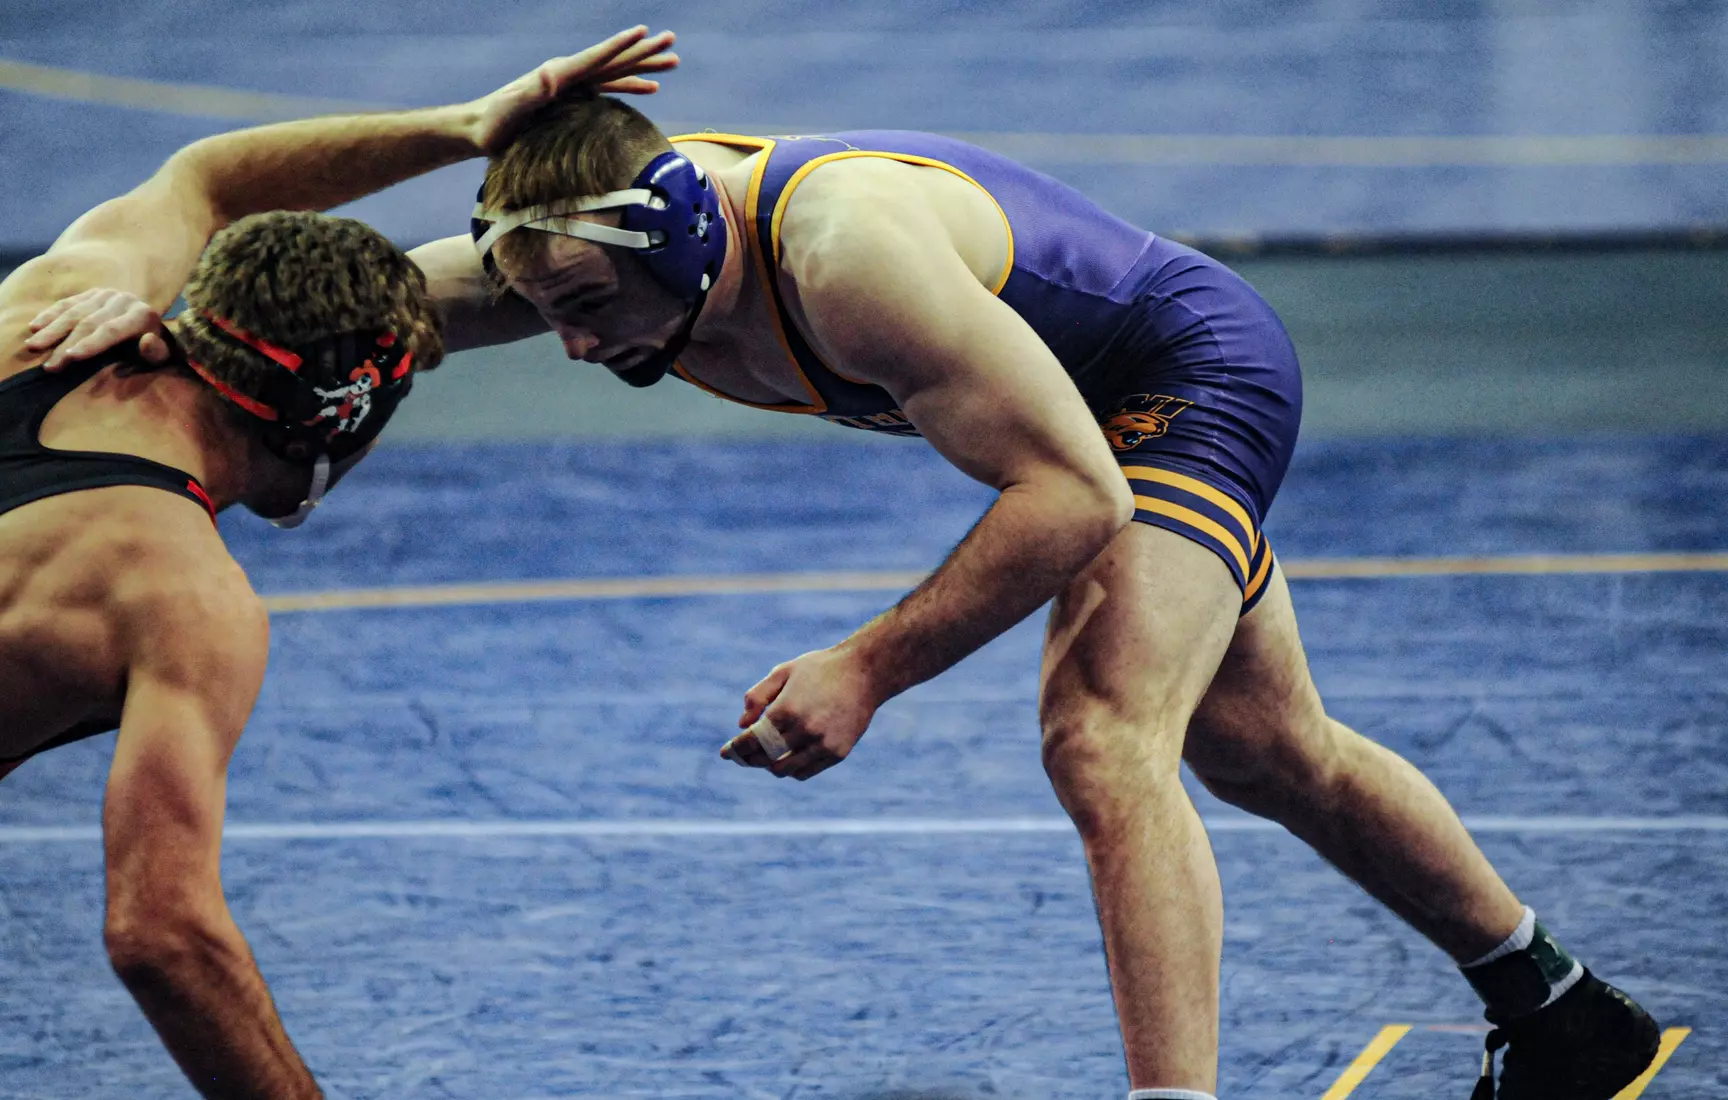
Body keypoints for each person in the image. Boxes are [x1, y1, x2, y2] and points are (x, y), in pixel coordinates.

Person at [38, 99, 1663, 1099]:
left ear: (674, 243)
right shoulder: (575, 257)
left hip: (1169, 386)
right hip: (1071, 423)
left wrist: (869, 669)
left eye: (597, 313)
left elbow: (1070, 497)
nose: (583, 352)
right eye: (550, 315)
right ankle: (1554, 1007)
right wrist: (133, 300)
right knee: (1263, 747)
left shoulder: (845, 258)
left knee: (1104, 737)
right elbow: (299, 296)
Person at [1, 28, 675, 1097]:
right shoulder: (185, 598)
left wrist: (464, 129)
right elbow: (162, 936)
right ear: (339, 416)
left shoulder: (40, 318)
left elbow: (204, 178)